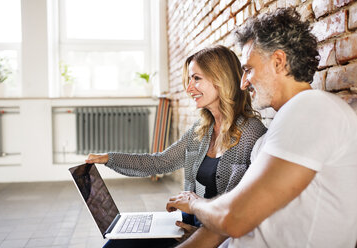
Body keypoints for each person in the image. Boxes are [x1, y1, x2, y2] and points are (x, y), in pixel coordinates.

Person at [166, 8, 357, 248]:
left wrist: (194, 203)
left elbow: (231, 219)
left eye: (248, 69)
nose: (243, 83)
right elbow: (224, 222)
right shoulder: (275, 131)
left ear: (278, 62)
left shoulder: (311, 109)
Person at [86, 45, 267, 248]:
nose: (189, 88)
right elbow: (160, 162)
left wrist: (201, 235)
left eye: (196, 78)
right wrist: (109, 158)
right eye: (189, 80)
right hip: (188, 226)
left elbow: (238, 211)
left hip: (213, 236)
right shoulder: (202, 129)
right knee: (115, 244)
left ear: (221, 78)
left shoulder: (251, 133)